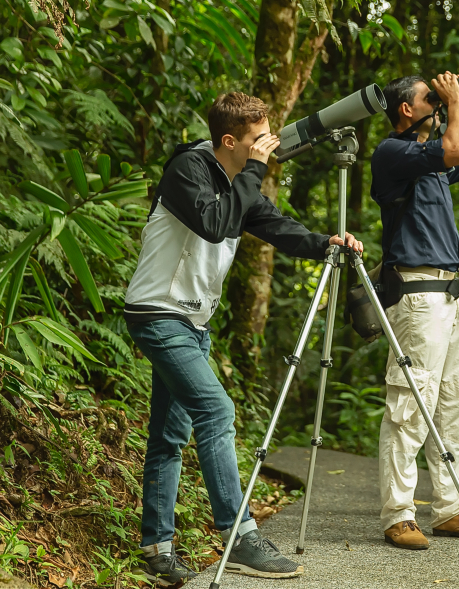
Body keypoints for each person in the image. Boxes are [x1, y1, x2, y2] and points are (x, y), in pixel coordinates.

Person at [124, 92, 364, 584]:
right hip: (158, 315)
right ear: (230, 141)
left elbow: (276, 227)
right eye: (258, 140)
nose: (267, 147)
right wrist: (254, 170)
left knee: (169, 436)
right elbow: (215, 225)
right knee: (217, 411)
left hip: (192, 323)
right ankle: (239, 536)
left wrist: (325, 244)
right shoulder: (188, 169)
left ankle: (157, 547)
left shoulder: (238, 183)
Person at [370, 72, 459, 550]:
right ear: (407, 108)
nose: (440, 99)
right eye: (431, 95)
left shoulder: (434, 159)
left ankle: (451, 509)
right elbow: (454, 150)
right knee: (411, 403)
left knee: (453, 404)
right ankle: (398, 514)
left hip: (450, 294)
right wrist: (451, 108)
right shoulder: (394, 153)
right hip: (418, 293)